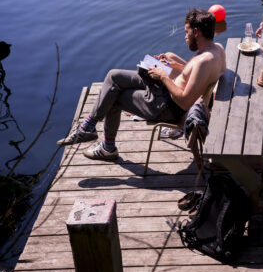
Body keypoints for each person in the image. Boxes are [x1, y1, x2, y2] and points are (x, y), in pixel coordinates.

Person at [57, 9, 226, 160]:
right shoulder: (217, 49)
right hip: (166, 95)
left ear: (196, 32)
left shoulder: (202, 62)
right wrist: (175, 67)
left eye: (187, 32)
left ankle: (106, 147)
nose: (185, 36)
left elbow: (185, 102)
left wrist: (163, 76)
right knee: (113, 76)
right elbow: (199, 76)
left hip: (166, 107)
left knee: (114, 95)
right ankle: (88, 127)